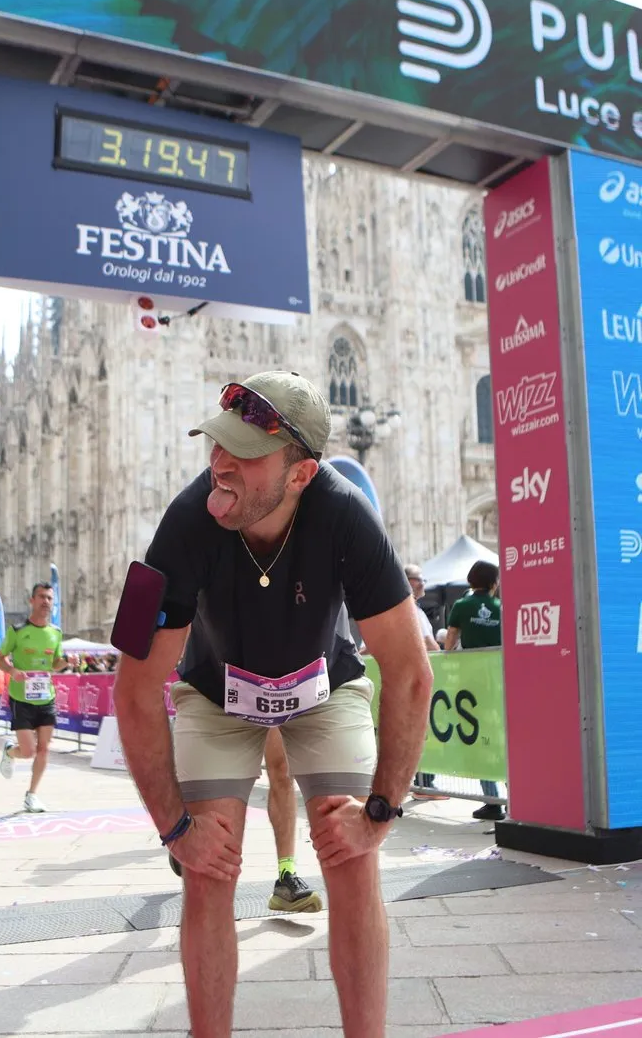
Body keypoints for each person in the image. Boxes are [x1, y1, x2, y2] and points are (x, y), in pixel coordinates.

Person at [114, 371, 433, 1038]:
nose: (219, 463)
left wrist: (380, 811)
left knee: (350, 858)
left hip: (323, 684)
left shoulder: (346, 514)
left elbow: (409, 672)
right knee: (209, 866)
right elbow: (134, 688)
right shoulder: (183, 525)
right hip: (214, 689)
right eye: (217, 444)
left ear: (300, 473)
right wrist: (177, 830)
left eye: (243, 453)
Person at [170, 726, 323, 913]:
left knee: (283, 768)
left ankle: (286, 876)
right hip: (228, 703)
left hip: (271, 700)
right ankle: (189, 829)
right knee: (218, 771)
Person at [0, 582, 66, 813]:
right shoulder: (17, 630)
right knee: (29, 751)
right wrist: (12, 671)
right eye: (42, 597)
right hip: (21, 698)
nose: (46, 602)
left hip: (46, 697)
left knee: (44, 749)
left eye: (49, 598)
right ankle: (9, 752)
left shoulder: (55, 633)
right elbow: (0, 659)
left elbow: (55, 664)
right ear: (32, 601)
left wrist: (67, 662)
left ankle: (32, 795)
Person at [445, 560, 504, 822]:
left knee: (482, 740)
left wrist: (448, 660)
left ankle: (492, 800)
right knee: (505, 739)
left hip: (471, 682)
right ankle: (516, 798)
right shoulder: (501, 607)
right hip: (500, 679)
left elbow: (451, 638)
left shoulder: (462, 605)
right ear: (494, 582)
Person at [404, 565, 446, 802]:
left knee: (420, 729)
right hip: (418, 677)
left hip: (415, 677)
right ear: (409, 581)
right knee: (422, 729)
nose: (423, 584)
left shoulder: (414, 609)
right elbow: (428, 643)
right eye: (420, 580)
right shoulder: (411, 609)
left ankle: (422, 783)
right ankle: (423, 784)